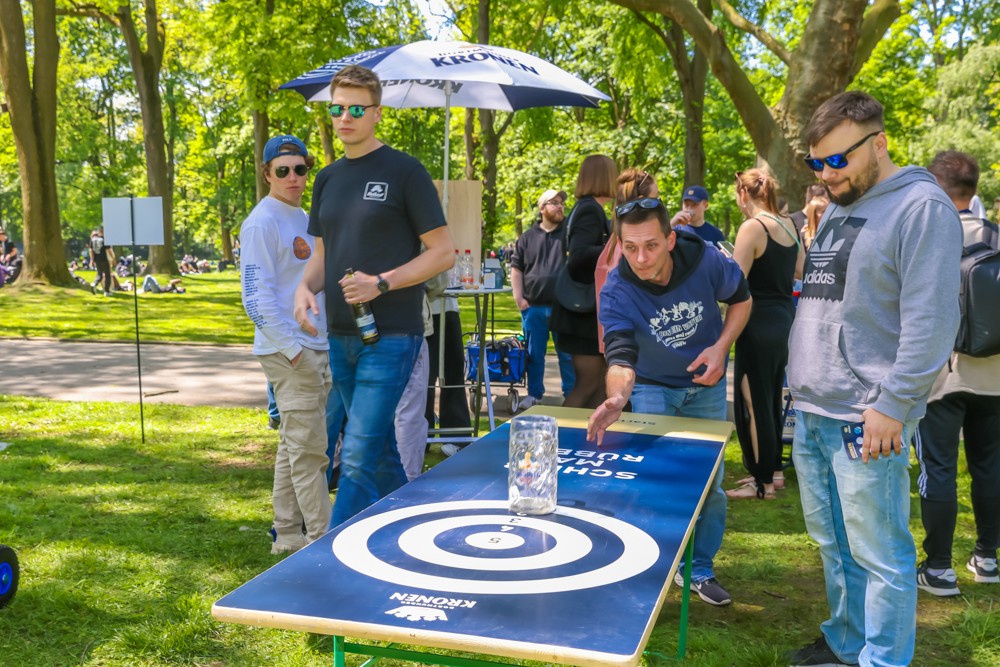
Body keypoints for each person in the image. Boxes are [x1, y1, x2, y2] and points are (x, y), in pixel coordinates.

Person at [785, 91, 962, 667]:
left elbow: (933, 321)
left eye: (838, 160)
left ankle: (881, 659)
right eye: (817, 163)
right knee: (835, 546)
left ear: (879, 143)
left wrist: (895, 402)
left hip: (868, 416)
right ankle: (845, 643)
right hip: (815, 408)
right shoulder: (840, 204)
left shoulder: (920, 207)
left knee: (881, 554)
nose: (827, 174)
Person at [294, 65, 454, 528]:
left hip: (391, 334)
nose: (345, 118)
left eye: (356, 109)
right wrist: (305, 288)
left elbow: (442, 253)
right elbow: (322, 256)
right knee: (379, 449)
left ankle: (325, 558)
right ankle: (413, 523)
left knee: (359, 452)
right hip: (340, 333)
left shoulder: (405, 172)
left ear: (377, 113)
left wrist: (381, 282)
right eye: (337, 108)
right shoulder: (326, 178)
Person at [587, 196, 752, 607]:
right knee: (656, 480)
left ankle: (698, 568)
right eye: (630, 247)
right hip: (652, 385)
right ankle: (652, 567)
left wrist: (720, 348)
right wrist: (617, 396)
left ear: (671, 239)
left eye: (651, 245)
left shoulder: (706, 259)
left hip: (706, 385)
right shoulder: (618, 288)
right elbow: (621, 356)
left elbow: (742, 299)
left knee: (709, 485)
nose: (641, 258)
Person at [241, 134, 332, 554]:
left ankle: (287, 533)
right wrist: (293, 350)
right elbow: (255, 299)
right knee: (311, 451)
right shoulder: (263, 222)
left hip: (312, 346)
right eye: (283, 170)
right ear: (267, 174)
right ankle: (319, 538)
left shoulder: (304, 218)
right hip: (289, 351)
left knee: (294, 445)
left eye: (300, 168)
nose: (293, 177)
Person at [914, 150, 1000, 596]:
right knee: (990, 467)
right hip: (995, 375)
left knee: (939, 468)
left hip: (943, 376)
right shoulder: (997, 236)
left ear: (935, 185)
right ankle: (987, 556)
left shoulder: (933, 235)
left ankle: (940, 568)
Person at [726, 168, 804, 500]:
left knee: (754, 402)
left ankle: (762, 484)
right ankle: (771, 472)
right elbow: (802, 270)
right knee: (771, 398)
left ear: (743, 194)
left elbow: (734, 282)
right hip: (784, 320)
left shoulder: (752, 227)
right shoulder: (788, 225)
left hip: (755, 323)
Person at [549, 155, 618, 408]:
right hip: (581, 314)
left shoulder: (589, 208)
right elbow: (579, 255)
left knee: (600, 386)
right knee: (588, 384)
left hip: (585, 313)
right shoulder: (589, 209)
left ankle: (592, 442)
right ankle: (559, 440)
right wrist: (614, 246)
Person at [509, 189, 575, 409]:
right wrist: (519, 298)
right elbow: (516, 269)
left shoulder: (569, 234)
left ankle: (572, 396)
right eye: (554, 202)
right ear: (542, 208)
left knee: (566, 356)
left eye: (562, 203)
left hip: (563, 308)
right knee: (534, 355)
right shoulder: (527, 238)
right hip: (533, 308)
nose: (560, 206)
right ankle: (534, 395)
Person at [89, 227, 115, 297]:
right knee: (107, 275)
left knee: (99, 274)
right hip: (104, 259)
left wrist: (92, 260)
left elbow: (91, 250)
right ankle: (107, 291)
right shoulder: (104, 240)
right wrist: (113, 258)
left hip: (97, 259)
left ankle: (94, 284)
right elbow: (109, 250)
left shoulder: (92, 239)